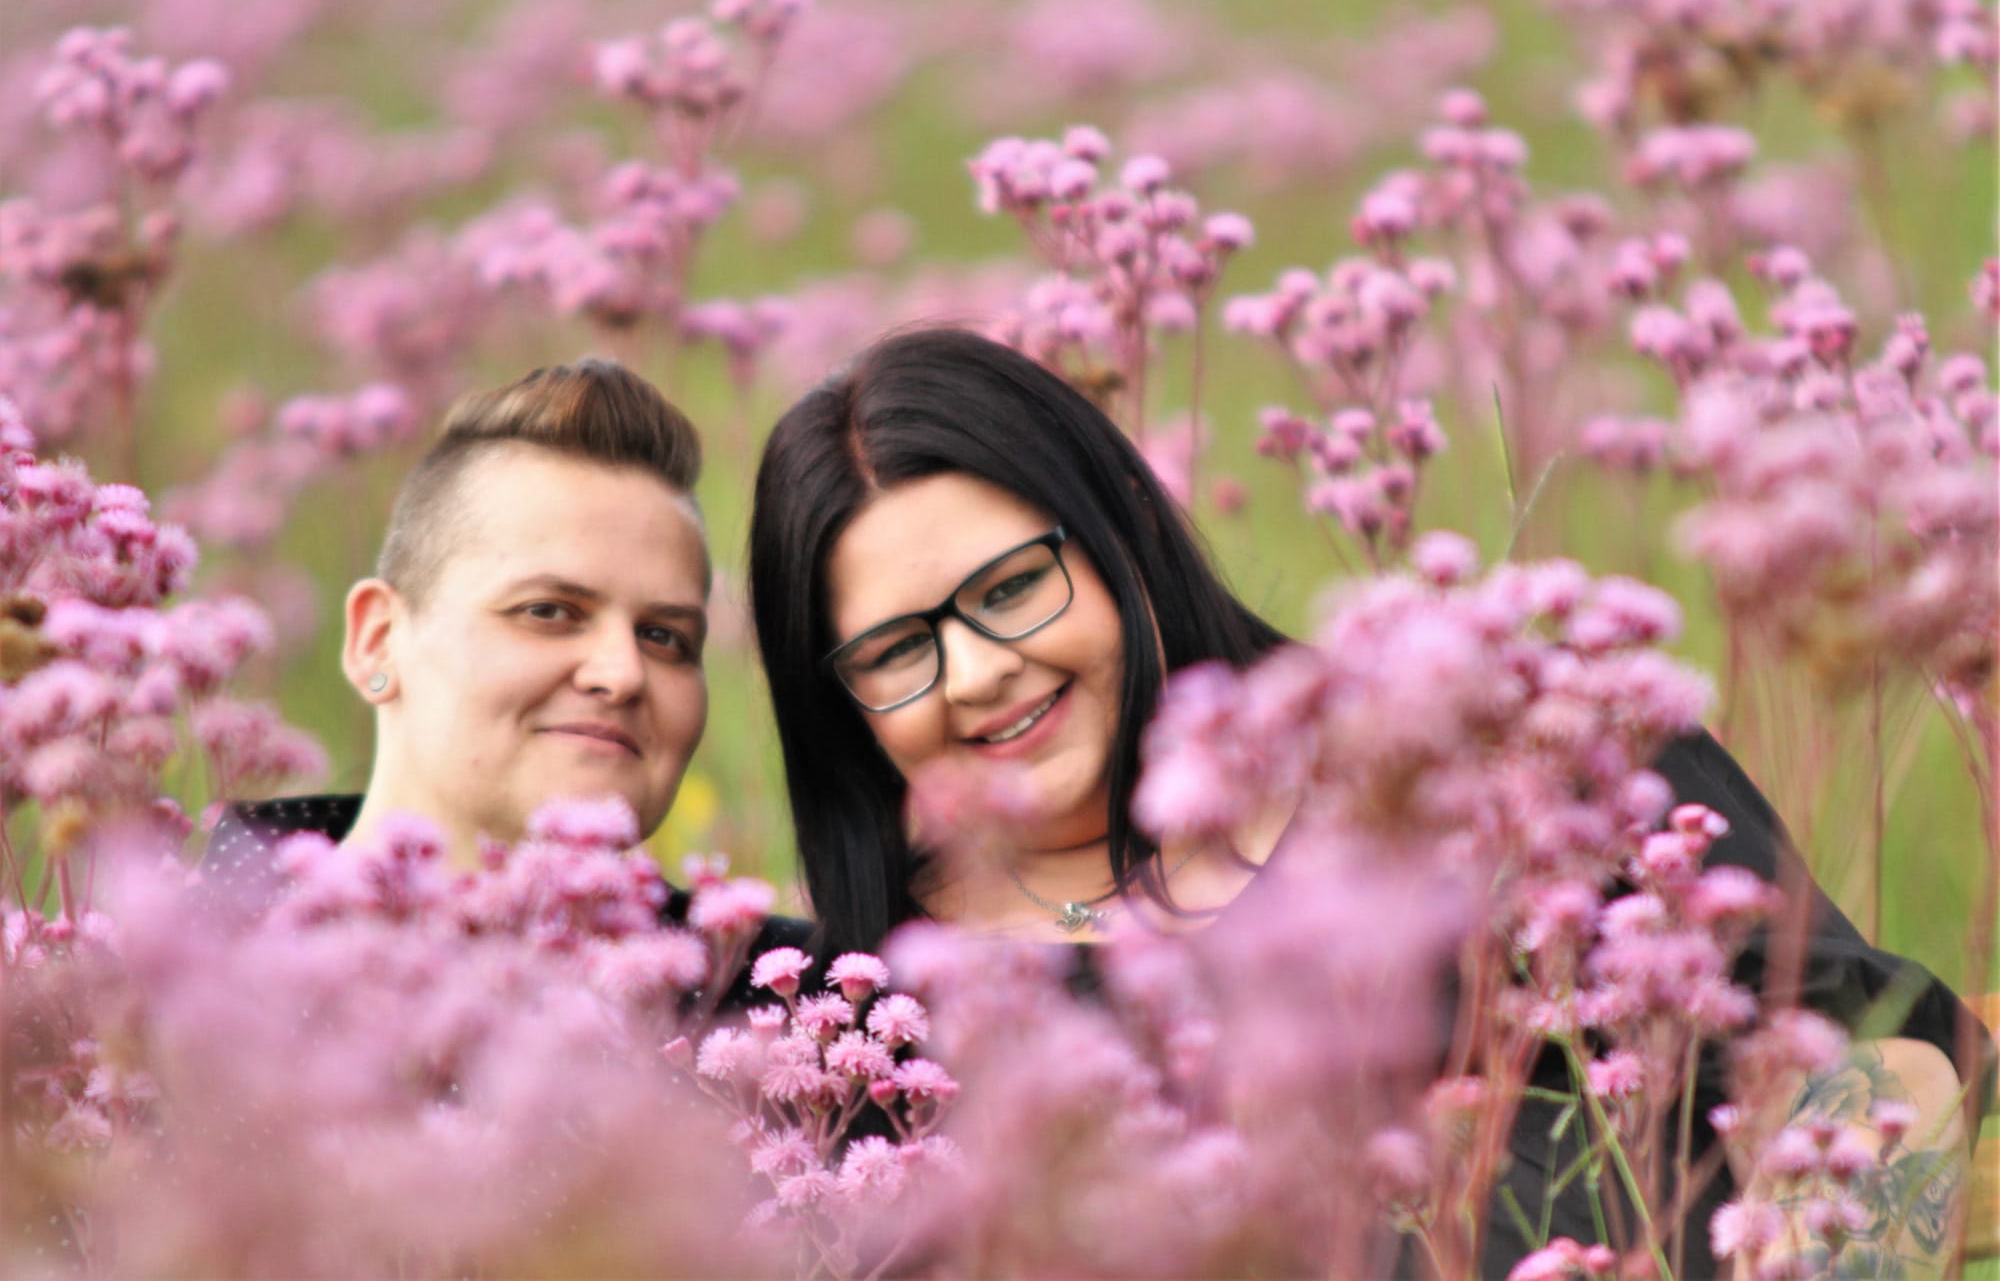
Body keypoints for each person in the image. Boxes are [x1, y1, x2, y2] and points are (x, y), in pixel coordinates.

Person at [747, 326, 1988, 1275]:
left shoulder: (1511, 750)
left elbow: (1875, 1054)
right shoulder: (867, 1028)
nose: (975, 672)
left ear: (1119, 535)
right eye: (895, 651)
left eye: (1012, 589)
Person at [206, 358, 808, 979]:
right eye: (548, 611)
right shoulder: (171, 990)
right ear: (377, 642)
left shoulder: (800, 1002)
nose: (624, 673)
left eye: (664, 637)